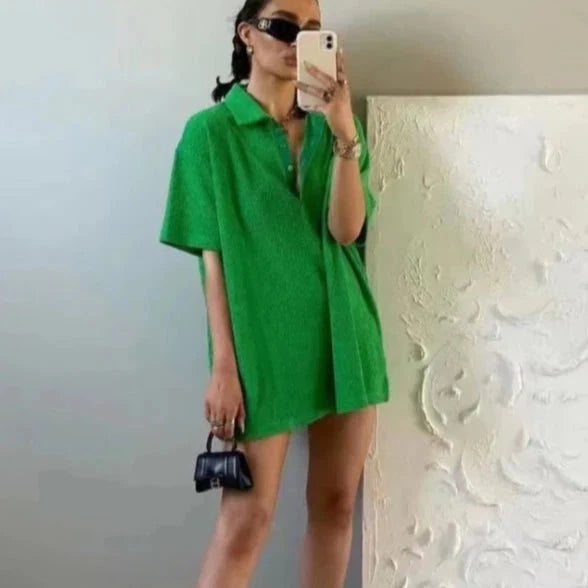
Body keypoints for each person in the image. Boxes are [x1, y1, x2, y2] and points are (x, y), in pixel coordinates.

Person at [159, 0, 390, 585]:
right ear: (247, 34)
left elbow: (347, 231)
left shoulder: (334, 128)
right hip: (260, 344)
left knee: (336, 510)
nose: (297, 41)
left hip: (344, 335)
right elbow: (212, 262)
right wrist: (224, 367)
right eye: (283, 27)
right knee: (246, 521)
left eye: (312, 31)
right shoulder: (209, 134)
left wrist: (344, 132)